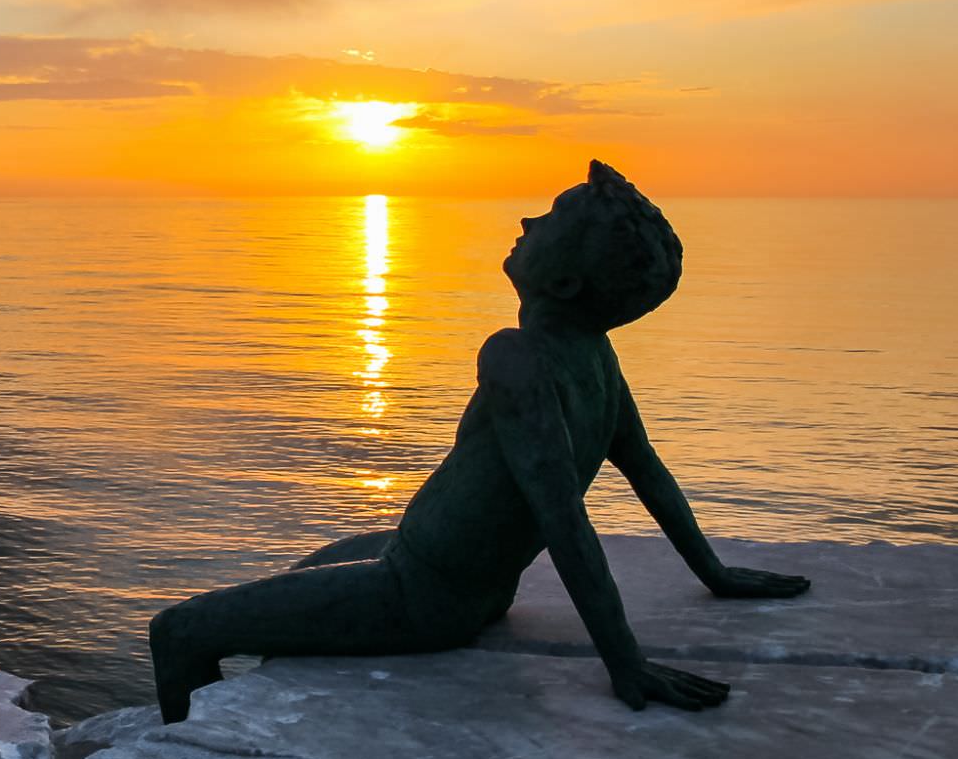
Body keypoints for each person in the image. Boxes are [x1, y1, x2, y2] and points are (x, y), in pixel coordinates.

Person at [149, 160, 812, 724]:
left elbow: (564, 519)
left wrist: (624, 662)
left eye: (550, 218)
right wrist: (714, 573)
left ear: (564, 283)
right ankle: (254, 715)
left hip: (422, 595)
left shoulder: (516, 356)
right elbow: (650, 474)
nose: (528, 223)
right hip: (446, 571)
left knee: (178, 631)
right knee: (297, 580)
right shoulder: (593, 358)